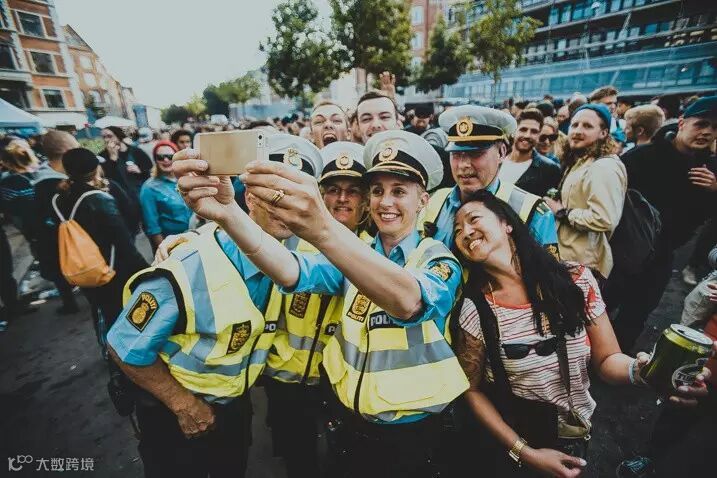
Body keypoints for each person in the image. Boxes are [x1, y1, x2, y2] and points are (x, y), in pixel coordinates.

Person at [172, 129, 468, 478]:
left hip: (412, 432)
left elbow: (408, 302)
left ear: (423, 201)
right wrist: (228, 214)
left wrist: (322, 227)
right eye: (377, 191)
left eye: (399, 191)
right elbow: (289, 268)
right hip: (351, 421)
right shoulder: (356, 254)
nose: (385, 202)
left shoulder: (437, 259)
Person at [450, 189, 712, 478]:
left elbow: (607, 359)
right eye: (457, 230)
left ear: (506, 224)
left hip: (575, 433)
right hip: (517, 437)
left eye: (474, 219)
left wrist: (647, 372)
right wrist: (524, 453)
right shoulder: (475, 309)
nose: (466, 232)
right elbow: (472, 390)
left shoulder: (575, 281)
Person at [108, 134, 324, 478]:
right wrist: (184, 405)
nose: (286, 208)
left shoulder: (297, 258)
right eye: (273, 196)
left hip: (233, 408)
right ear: (249, 197)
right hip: (175, 414)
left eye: (295, 198)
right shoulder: (188, 264)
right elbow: (124, 347)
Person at [263, 141, 368, 478]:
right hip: (284, 378)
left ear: (366, 200)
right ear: (320, 195)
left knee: (342, 460)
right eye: (333, 190)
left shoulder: (374, 250)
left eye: (353, 191)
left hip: (338, 383)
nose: (342, 199)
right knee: (298, 460)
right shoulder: (290, 237)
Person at [614, 96, 717, 351]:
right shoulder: (643, 156)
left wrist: (715, 189)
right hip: (622, 251)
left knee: (634, 318)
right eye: (701, 124)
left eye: (714, 128)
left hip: (661, 258)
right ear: (682, 123)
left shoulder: (710, 169)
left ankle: (615, 363)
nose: (707, 132)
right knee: (600, 308)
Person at [424, 105, 559, 257]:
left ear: (501, 152)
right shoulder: (434, 202)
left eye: (475, 153)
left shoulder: (533, 212)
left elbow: (547, 270)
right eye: (456, 154)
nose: (463, 165)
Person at [52, 148, 148, 327]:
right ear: (96, 167)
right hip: (112, 268)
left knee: (102, 312)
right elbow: (123, 241)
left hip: (84, 266)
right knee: (127, 314)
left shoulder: (59, 197)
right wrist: (145, 270)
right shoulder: (99, 198)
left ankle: (107, 342)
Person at [543, 104, 626, 283]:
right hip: (568, 259)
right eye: (575, 125)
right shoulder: (581, 161)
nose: (578, 131)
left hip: (584, 265)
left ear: (603, 133)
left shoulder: (603, 166)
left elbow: (605, 218)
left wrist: (562, 212)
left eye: (587, 126)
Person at [33, 130, 81, 314]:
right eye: (75, 145)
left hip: (55, 240)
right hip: (63, 240)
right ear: (66, 149)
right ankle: (70, 302)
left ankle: (70, 301)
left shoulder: (40, 179)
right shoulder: (50, 183)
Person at [139, 141, 193, 252]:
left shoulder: (187, 178)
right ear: (155, 160)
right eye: (160, 157)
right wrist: (166, 251)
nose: (166, 160)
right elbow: (153, 227)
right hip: (174, 245)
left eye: (170, 156)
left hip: (196, 235)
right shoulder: (149, 188)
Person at [498, 108, 561, 197]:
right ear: (514, 131)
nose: (527, 135)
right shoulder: (496, 159)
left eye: (534, 131)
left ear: (538, 135)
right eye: (523, 129)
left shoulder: (549, 169)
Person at [99, 126, 153, 203]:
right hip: (121, 199)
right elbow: (105, 178)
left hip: (141, 194)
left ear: (118, 135)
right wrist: (112, 159)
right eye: (104, 137)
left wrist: (139, 170)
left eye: (109, 136)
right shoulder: (103, 156)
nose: (106, 140)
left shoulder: (135, 151)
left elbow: (149, 169)